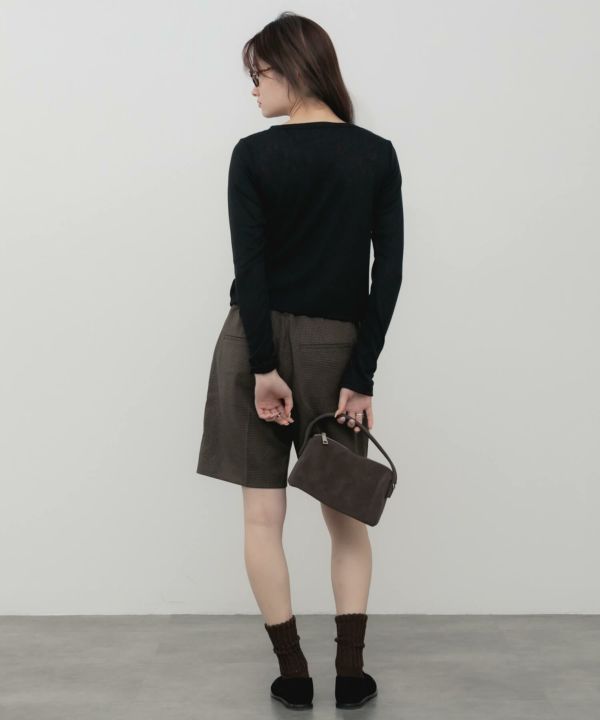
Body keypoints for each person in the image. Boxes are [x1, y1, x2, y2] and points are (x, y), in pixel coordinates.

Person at [196, 11, 403, 711]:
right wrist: (360, 373)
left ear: (291, 70)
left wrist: (262, 366)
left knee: (263, 516)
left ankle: (292, 675)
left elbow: (249, 270)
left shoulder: (253, 156)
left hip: (250, 343)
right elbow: (387, 274)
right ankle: (351, 675)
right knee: (345, 514)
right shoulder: (375, 155)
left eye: (258, 75)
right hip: (335, 349)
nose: (254, 90)